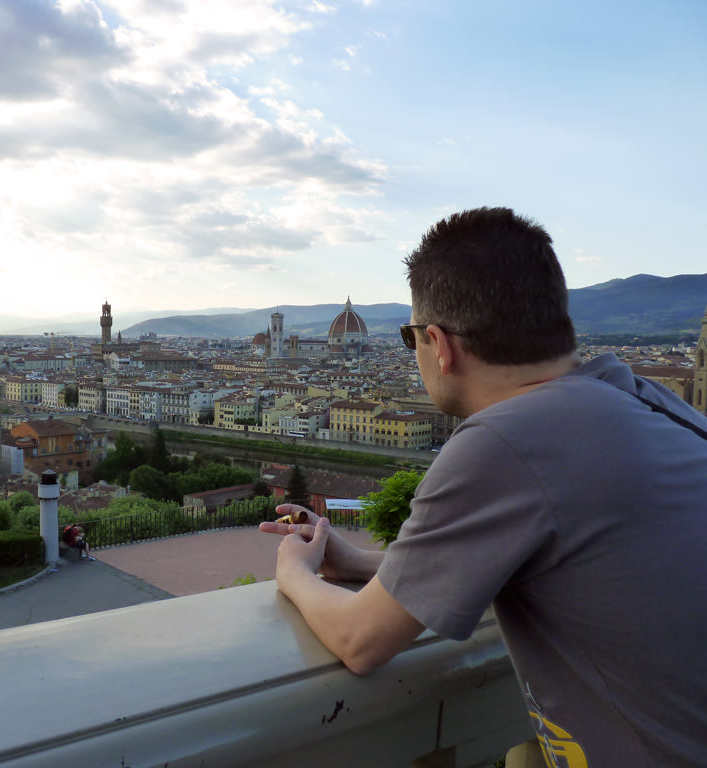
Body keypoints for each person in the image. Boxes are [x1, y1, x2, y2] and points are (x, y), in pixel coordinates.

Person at [261, 207, 707, 766]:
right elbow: (564, 560)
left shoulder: (506, 441)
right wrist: (361, 565)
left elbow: (360, 640)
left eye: (410, 339)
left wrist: (292, 574)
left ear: (439, 345)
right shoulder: (643, 397)